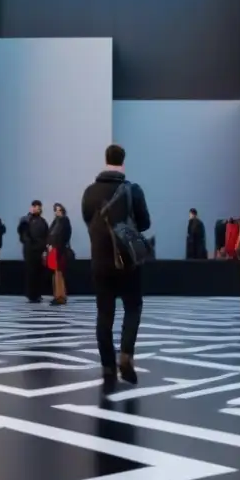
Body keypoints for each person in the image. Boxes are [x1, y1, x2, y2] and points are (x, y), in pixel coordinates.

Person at [82, 144, 151, 388]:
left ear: (105, 160)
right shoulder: (133, 190)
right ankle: (126, 355)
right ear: (123, 162)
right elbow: (144, 224)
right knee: (133, 307)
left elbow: (88, 222)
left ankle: (108, 366)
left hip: (100, 261)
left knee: (104, 313)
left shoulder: (90, 192)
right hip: (128, 262)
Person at [18, 200, 50, 302]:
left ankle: (37, 294)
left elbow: (46, 236)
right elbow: (22, 235)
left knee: (39, 273)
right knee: (31, 273)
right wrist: (30, 243)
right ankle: (31, 295)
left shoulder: (43, 221)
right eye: (35, 207)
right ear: (31, 208)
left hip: (39, 251)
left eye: (39, 207)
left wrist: (45, 249)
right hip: (30, 251)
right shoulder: (25, 220)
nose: (37, 209)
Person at [47, 203, 72, 306]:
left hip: (60, 249)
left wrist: (57, 245)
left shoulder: (65, 221)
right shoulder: (55, 222)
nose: (57, 212)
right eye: (56, 210)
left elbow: (65, 235)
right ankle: (57, 295)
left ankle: (61, 296)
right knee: (55, 272)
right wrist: (49, 244)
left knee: (59, 273)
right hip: (53, 249)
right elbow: (50, 234)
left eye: (59, 210)